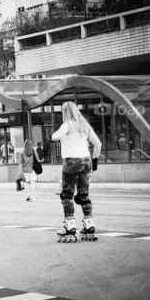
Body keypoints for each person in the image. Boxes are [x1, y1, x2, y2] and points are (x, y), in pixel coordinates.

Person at [51, 101, 102, 241]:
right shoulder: (85, 125)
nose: (62, 113)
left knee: (67, 194)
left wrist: (56, 136)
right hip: (86, 161)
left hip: (71, 162)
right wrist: (94, 163)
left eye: (62, 111)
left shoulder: (67, 124)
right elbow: (98, 144)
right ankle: (89, 224)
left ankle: (69, 225)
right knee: (83, 194)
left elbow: (55, 137)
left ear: (66, 112)